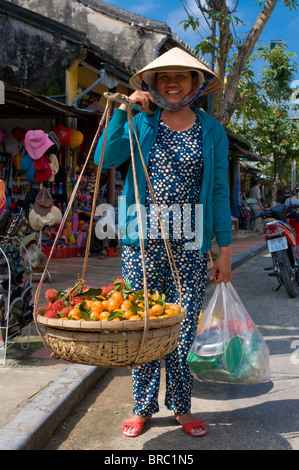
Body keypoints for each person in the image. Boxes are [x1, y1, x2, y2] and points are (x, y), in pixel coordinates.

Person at [94, 47, 232, 438]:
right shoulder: (141, 123)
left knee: (182, 328)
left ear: (195, 84)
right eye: (164, 77)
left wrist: (223, 250)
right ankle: (142, 405)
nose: (172, 83)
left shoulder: (211, 130)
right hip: (143, 242)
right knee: (143, 326)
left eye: (181, 76)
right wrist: (125, 111)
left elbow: (220, 191)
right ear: (153, 84)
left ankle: (182, 406)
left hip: (191, 243)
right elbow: (106, 158)